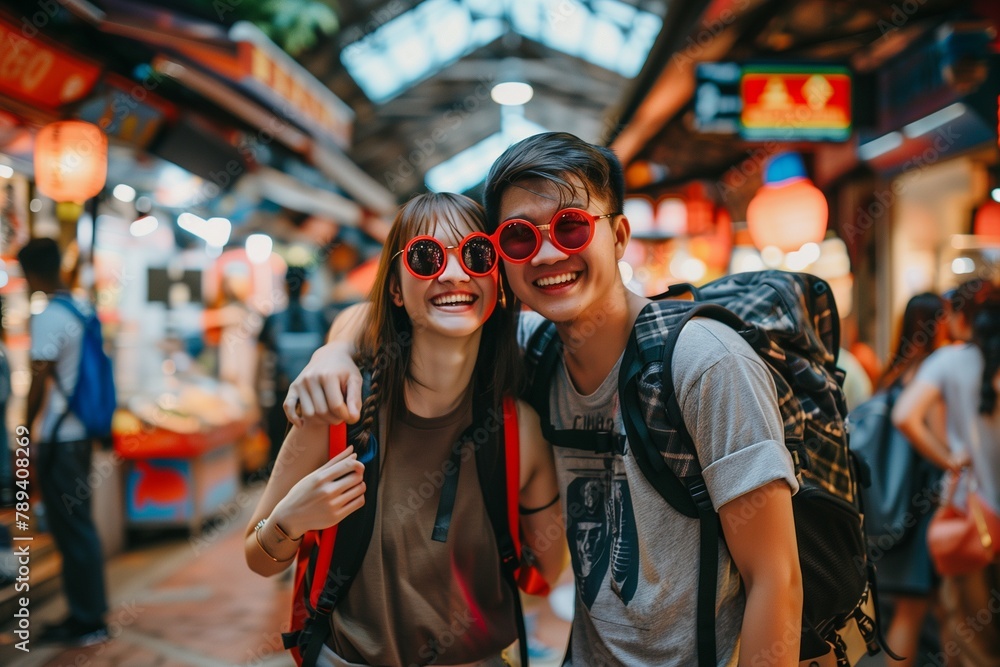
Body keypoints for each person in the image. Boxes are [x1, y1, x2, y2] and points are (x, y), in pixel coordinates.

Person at [284, 133, 802, 665]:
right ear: (501, 264)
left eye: (572, 226)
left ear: (619, 235)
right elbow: (404, 312)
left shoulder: (706, 364)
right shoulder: (534, 347)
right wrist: (334, 350)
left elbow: (776, 579)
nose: (549, 253)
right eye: (518, 238)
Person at [245, 193, 565, 666]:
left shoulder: (522, 428)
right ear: (396, 289)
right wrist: (292, 520)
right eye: (426, 257)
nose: (454, 274)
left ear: (497, 281)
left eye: (477, 254)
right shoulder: (338, 408)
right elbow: (258, 555)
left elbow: (543, 574)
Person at [893, 281, 1000, 667]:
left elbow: (905, 416)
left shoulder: (950, 361)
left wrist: (950, 458)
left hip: (970, 517)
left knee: (971, 640)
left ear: (960, 316)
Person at [18, 237, 109, 646]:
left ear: (32, 272)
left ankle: (87, 620)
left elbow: (39, 380)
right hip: (80, 434)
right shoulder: (80, 306)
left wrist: (23, 429)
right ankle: (88, 613)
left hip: (60, 437)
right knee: (79, 527)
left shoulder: (49, 316)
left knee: (71, 528)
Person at [866, 292, 947, 667]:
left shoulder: (894, 373)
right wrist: (953, 459)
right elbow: (929, 433)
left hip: (893, 509)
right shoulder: (933, 374)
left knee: (907, 612)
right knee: (913, 614)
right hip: (922, 509)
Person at [257, 265, 328, 474]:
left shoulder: (273, 320)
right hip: (313, 400)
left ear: (284, 286)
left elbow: (260, 364)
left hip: (280, 398)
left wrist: (258, 398)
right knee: (309, 459)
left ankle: (278, 503)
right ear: (306, 286)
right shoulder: (320, 318)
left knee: (278, 460)